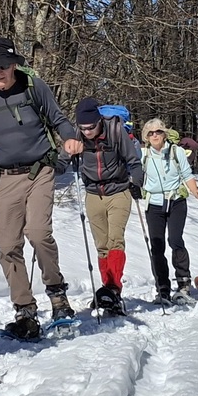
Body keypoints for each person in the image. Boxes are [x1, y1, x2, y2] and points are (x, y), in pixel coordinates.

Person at [0, 36, 85, 339]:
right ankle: (25, 311)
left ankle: (57, 294)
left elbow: (58, 118)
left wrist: (69, 137)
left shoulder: (33, 87)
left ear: (14, 65)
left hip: (40, 170)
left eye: (2, 65)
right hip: (5, 177)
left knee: (38, 233)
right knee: (8, 245)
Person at [73, 97, 143, 312]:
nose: (87, 132)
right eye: (82, 128)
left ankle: (114, 288)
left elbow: (133, 160)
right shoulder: (77, 136)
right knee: (102, 244)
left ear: (99, 121)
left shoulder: (115, 130)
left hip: (118, 190)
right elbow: (63, 160)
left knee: (115, 240)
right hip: (93, 193)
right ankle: (107, 289)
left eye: (91, 127)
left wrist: (137, 183)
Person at [138, 118, 198, 303]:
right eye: (150, 133)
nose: (155, 135)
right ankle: (162, 288)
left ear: (164, 133)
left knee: (175, 240)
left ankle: (183, 284)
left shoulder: (176, 151)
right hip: (154, 203)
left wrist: (196, 192)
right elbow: (134, 172)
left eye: (158, 132)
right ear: (146, 137)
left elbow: (187, 174)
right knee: (157, 246)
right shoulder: (143, 154)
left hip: (176, 201)